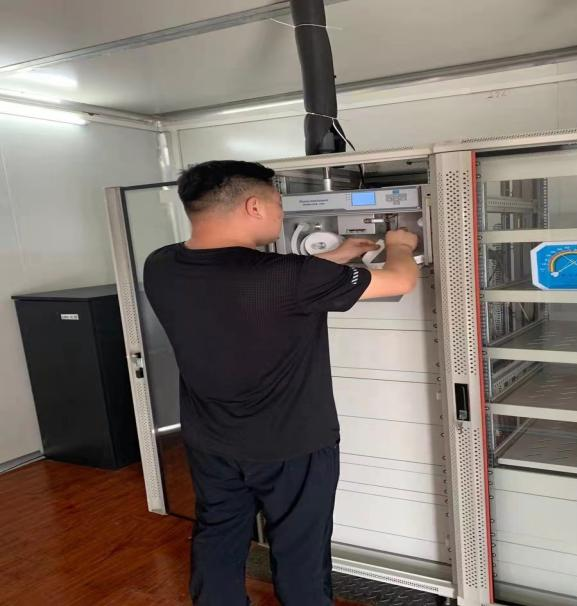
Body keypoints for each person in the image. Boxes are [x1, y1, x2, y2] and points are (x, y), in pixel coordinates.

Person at [143, 160, 420, 606]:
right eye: (277, 203)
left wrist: (339, 256)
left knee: (218, 536)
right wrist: (400, 244)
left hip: (210, 442)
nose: (280, 212)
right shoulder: (290, 277)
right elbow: (400, 280)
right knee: (299, 553)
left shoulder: (161, 264)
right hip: (293, 446)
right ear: (253, 206)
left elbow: (256, 286)